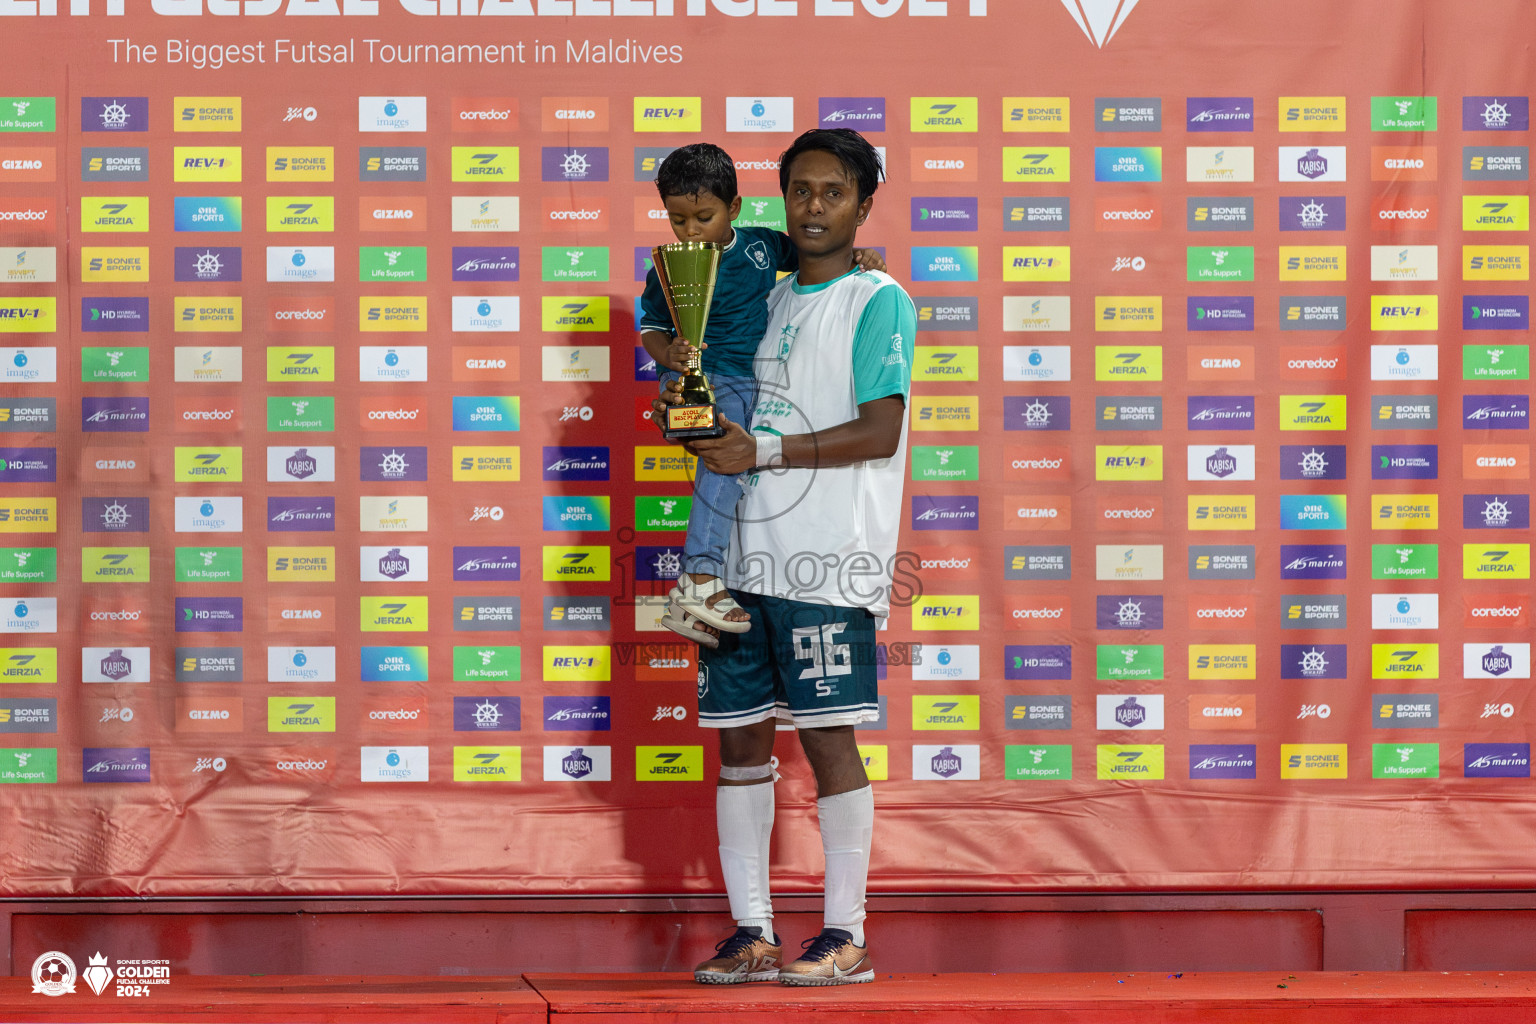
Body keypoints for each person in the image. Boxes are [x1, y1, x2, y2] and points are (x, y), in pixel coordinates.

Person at [654, 129, 915, 987]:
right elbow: (724, 407)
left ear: (863, 203)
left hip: (828, 563)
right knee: (738, 747)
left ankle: (845, 934)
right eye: (800, 192)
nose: (813, 207)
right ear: (778, 201)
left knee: (831, 739)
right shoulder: (758, 295)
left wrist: (757, 451)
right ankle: (752, 932)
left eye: (833, 193)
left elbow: (881, 432)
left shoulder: (879, 299)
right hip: (740, 563)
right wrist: (687, 409)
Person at [639, 144, 883, 639]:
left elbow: (819, 255)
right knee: (727, 464)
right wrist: (669, 358)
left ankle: (700, 593)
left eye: (702, 217)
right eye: (677, 219)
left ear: (734, 208)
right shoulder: (665, 266)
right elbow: (651, 326)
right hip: (705, 380)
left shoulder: (761, 248)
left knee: (731, 469)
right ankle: (701, 575)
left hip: (749, 382)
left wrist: (860, 255)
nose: (690, 231)